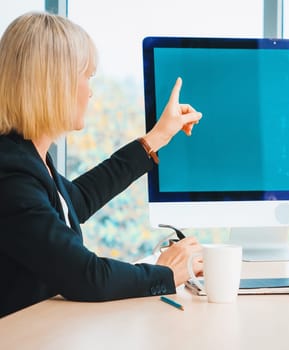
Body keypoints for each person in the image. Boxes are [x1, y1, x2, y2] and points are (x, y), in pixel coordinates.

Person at [0, 12, 204, 317]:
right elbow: (86, 277)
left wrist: (156, 138)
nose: (90, 91)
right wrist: (165, 273)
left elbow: (75, 202)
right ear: (54, 83)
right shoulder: (11, 174)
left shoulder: (27, 157)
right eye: (86, 77)